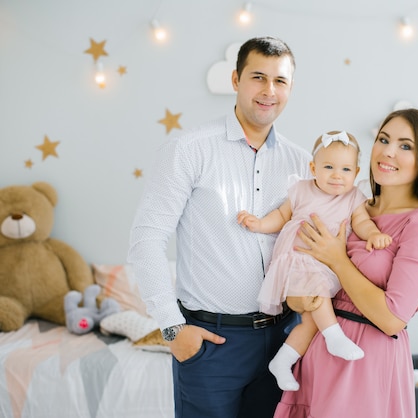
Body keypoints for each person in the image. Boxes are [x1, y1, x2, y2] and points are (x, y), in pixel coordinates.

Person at [127, 36, 312, 418]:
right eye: (257, 77)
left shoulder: (304, 162)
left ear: (291, 88)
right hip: (212, 343)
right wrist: (172, 329)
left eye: (280, 81)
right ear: (235, 79)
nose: (268, 91)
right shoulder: (189, 149)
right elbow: (146, 241)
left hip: (284, 339)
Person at [273, 108, 418, 418]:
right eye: (383, 139)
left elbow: (393, 318)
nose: (388, 151)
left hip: (366, 363)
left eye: (406, 145)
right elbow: (306, 276)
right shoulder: (351, 203)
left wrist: (338, 259)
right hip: (317, 349)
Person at [237, 130, 392, 391]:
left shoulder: (354, 197)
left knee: (310, 322)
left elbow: (362, 222)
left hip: (324, 262)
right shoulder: (301, 189)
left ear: (355, 173)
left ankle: (283, 361)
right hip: (298, 257)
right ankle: (335, 337)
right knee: (317, 294)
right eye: (328, 167)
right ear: (313, 168)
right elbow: (281, 215)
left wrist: (374, 234)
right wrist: (261, 224)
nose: (336, 175)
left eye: (345, 169)